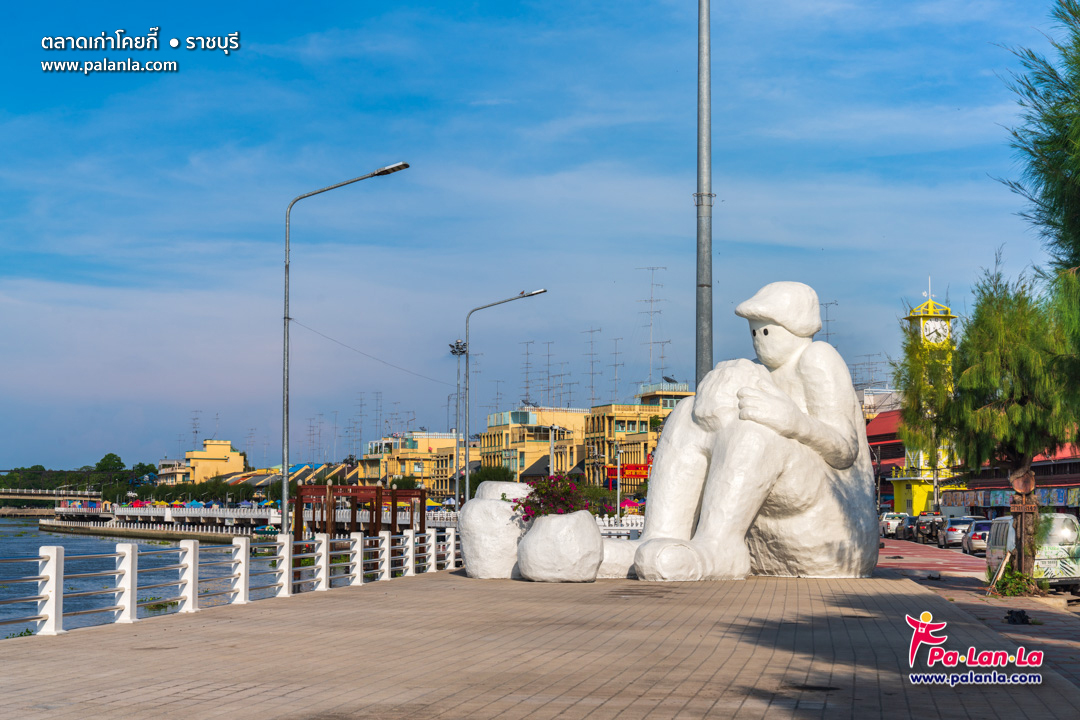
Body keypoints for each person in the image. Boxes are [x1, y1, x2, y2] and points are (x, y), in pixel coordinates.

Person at [620, 281, 877, 581]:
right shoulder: (757, 369)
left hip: (835, 528)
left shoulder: (817, 357)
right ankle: (660, 535)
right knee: (686, 412)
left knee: (755, 425)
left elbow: (845, 449)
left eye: (765, 331)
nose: (758, 340)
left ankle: (720, 548)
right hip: (770, 532)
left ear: (795, 328)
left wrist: (794, 421)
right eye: (754, 332)